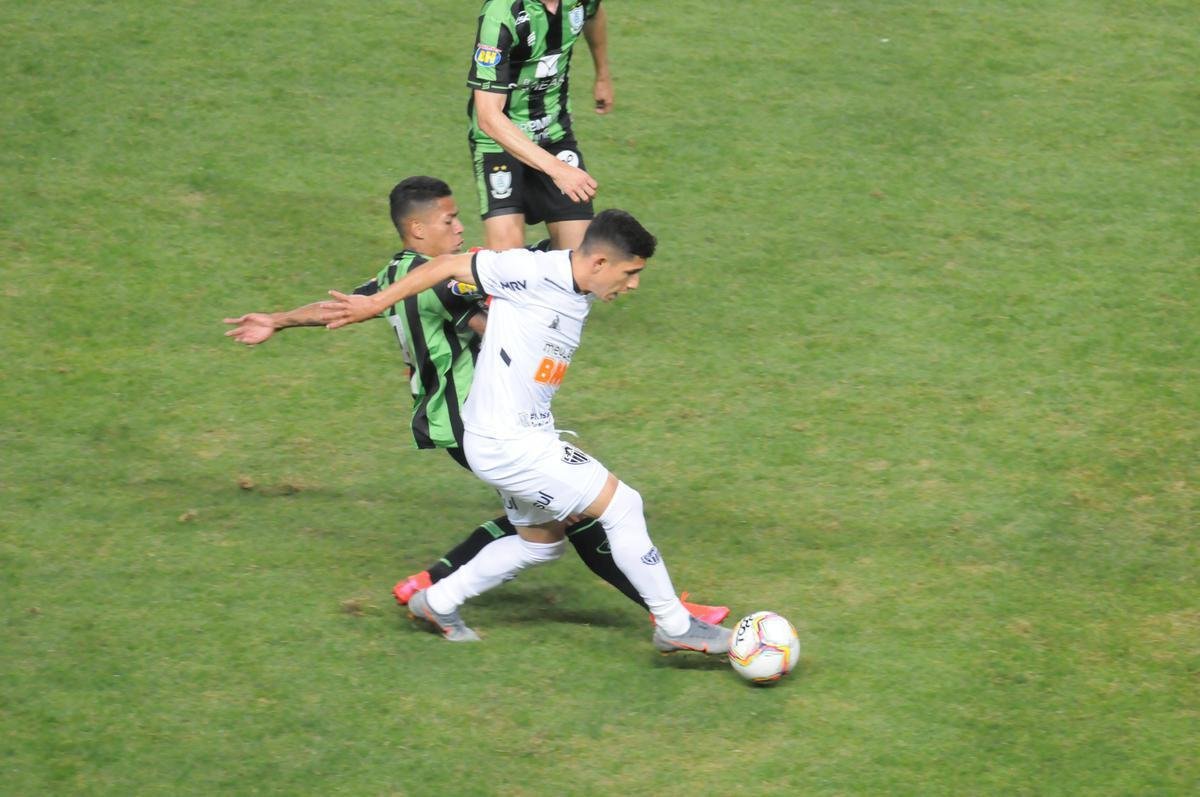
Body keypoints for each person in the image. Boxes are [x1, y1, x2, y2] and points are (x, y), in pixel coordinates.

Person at [224, 177, 727, 629]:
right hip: (486, 427)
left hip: (471, 425)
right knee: (604, 510)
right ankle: (674, 621)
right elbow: (461, 284)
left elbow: (342, 306)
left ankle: (436, 596)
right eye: (449, 220)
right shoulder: (456, 280)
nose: (461, 227)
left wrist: (280, 319)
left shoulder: (397, 273)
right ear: (417, 229)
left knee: (544, 537)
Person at [468, 0, 611, 251]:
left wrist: (603, 74)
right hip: (499, 142)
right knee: (508, 268)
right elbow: (489, 117)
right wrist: (557, 170)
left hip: (554, 134)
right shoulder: (501, 14)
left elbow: (594, 15)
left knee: (579, 265)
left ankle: (538, 266)